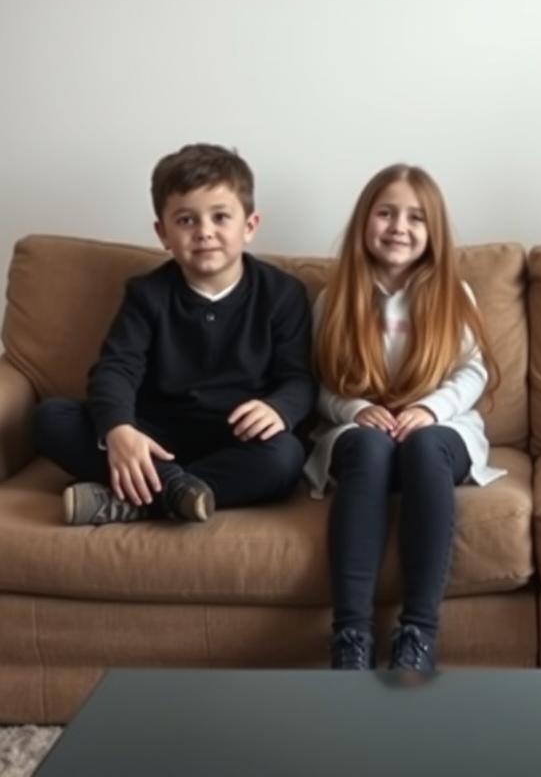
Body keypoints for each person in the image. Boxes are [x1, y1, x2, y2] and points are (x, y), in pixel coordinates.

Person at [32, 143, 315, 526]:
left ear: (249, 226)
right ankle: (175, 491)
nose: (204, 233)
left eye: (220, 218)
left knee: (285, 457)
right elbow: (116, 368)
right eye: (186, 221)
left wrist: (280, 408)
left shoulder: (283, 294)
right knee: (51, 418)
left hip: (234, 437)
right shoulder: (147, 294)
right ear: (163, 233)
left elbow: (298, 377)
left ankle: (137, 499)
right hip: (155, 435)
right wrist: (119, 431)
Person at [305, 163, 504, 673]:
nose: (399, 227)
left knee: (424, 445)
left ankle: (418, 631)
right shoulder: (334, 299)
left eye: (416, 218)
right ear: (364, 222)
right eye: (387, 213)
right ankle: (351, 636)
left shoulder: (452, 295)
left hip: (438, 428)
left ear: (433, 232)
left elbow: (472, 372)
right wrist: (356, 409)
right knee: (370, 447)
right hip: (360, 429)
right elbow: (320, 384)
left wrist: (428, 409)